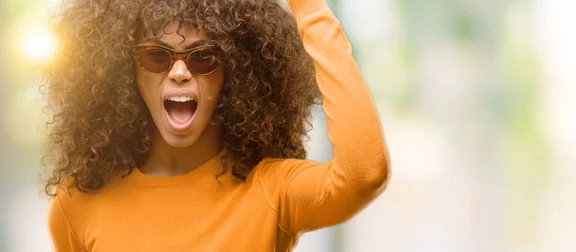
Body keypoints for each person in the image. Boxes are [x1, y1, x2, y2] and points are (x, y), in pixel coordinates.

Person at [45, 0, 390, 251]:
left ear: (235, 73)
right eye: (156, 56)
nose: (179, 73)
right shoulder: (78, 203)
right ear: (126, 73)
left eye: (204, 57)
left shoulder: (271, 190)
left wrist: (309, 8)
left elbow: (364, 174)